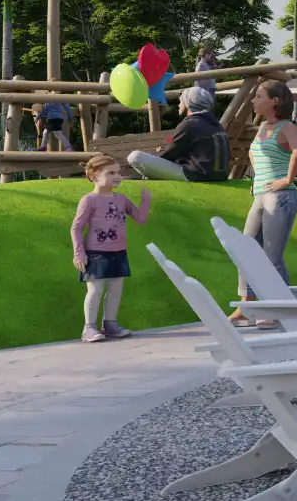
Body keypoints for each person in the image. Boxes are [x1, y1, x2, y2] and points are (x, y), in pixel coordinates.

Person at [231, 81, 297, 327]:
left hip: (281, 197)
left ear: (275, 101)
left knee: (272, 255)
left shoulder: (287, 127)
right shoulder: (263, 126)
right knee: (245, 248)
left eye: (258, 95)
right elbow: (255, 154)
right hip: (261, 195)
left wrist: (287, 179)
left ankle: (279, 309)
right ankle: (246, 307)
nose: (253, 100)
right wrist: (256, 180)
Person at [71, 153, 152, 342]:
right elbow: (77, 227)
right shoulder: (89, 200)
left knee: (116, 290)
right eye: (110, 173)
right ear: (94, 176)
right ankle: (88, 328)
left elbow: (140, 219)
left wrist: (146, 200)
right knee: (96, 290)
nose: (117, 176)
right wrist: (79, 253)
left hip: (118, 252)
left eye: (118, 172)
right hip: (96, 254)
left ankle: (110, 325)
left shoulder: (121, 199)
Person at [129, 85, 225, 181]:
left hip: (197, 175)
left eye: (181, 101)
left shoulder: (190, 124)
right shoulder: (216, 124)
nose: (179, 105)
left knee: (135, 157)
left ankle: (146, 179)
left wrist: (155, 162)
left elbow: (169, 155)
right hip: (219, 175)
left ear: (188, 103)